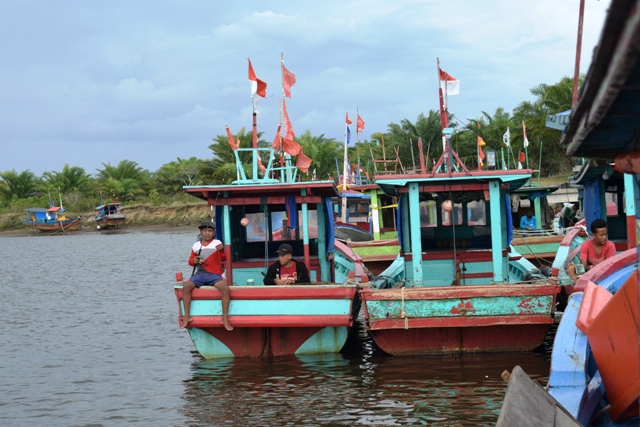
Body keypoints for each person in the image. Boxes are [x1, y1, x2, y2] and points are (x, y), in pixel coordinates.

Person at [180, 221, 233, 331]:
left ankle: (224, 319)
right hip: (200, 274)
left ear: (213, 232)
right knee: (186, 287)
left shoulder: (217, 243)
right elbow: (190, 262)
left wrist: (222, 250)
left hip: (214, 274)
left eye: (210, 231)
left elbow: (224, 259)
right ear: (200, 232)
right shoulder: (196, 245)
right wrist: (193, 261)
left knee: (225, 289)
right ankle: (187, 317)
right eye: (205, 231)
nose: (207, 233)